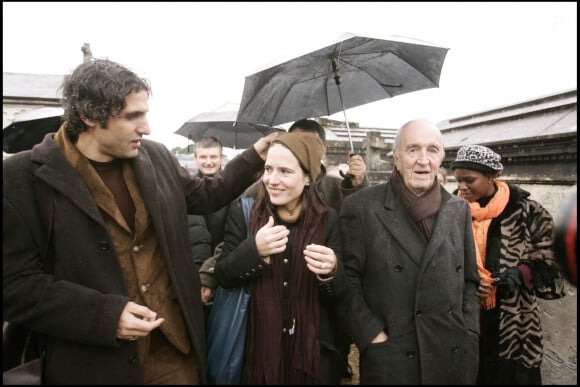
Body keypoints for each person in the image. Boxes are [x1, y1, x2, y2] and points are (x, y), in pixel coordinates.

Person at [2, 58, 277, 385]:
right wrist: (104, 316)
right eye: (133, 116)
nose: (146, 127)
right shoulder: (22, 178)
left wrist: (255, 154)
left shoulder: (156, 156)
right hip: (95, 364)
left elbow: (204, 196)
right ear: (90, 116)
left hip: (176, 353)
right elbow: (15, 285)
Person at [339, 118, 480, 384]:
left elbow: (470, 280)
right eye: (413, 150)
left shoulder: (458, 209)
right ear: (396, 157)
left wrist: (469, 330)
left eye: (432, 150)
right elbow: (347, 281)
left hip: (451, 353)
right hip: (393, 358)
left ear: (441, 158)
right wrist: (370, 334)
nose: (423, 160)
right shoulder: (362, 207)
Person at [214, 132, 347, 384]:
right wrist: (253, 250)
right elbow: (223, 275)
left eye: (285, 171)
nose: (271, 180)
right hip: (255, 357)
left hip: (313, 359)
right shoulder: (243, 212)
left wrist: (332, 270)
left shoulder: (328, 219)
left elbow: (339, 294)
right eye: (268, 169)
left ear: (308, 177)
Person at [450, 144, 565, 385]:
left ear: (492, 176)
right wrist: (467, 281)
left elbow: (552, 253)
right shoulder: (449, 210)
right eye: (458, 180)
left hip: (514, 321)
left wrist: (520, 274)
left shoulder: (526, 210)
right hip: (462, 315)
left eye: (469, 180)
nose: (461, 187)